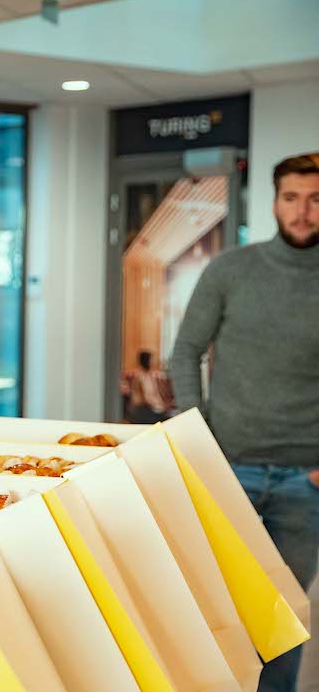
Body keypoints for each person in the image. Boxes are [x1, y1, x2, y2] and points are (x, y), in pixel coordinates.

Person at [170, 152, 319, 692]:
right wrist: (197, 429)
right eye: (291, 198)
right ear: (274, 201)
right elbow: (185, 351)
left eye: (316, 199)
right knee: (217, 609)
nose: (303, 212)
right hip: (227, 468)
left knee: (281, 619)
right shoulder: (232, 269)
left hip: (306, 481)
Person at [123, 349, 169, 424]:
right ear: (146, 360)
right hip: (143, 409)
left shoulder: (152, 375)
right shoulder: (139, 376)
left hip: (154, 408)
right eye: (152, 360)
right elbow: (141, 398)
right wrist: (157, 406)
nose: (154, 362)